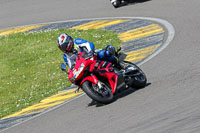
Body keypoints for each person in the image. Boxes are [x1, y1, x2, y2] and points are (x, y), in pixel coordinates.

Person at [57, 33, 123, 70]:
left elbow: (88, 44)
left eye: (64, 46)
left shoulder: (77, 42)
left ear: (69, 42)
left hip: (92, 55)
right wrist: (71, 70)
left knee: (103, 54)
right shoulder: (65, 56)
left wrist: (90, 51)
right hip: (84, 65)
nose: (63, 48)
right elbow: (71, 66)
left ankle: (118, 64)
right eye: (62, 47)